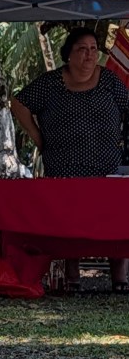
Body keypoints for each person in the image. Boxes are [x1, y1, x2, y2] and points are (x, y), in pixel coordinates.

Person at [11, 27, 129, 294]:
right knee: (70, 221)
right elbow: (19, 104)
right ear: (68, 54)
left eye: (93, 49)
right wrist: (38, 137)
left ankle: (120, 278)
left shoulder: (109, 80)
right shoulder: (51, 82)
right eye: (82, 49)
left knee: (113, 219)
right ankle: (72, 276)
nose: (89, 55)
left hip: (107, 167)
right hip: (64, 167)